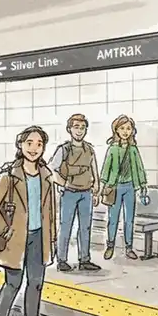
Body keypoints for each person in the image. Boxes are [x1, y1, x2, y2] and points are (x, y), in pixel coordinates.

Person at [0, 125, 60, 316]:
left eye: (39, 144)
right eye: (29, 143)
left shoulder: (46, 176)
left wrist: (52, 239)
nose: (34, 148)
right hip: (14, 240)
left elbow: (50, 211)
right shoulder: (9, 175)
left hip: (39, 238)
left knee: (36, 284)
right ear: (20, 145)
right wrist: (4, 229)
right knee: (13, 284)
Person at [47, 114, 102, 272]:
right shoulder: (64, 149)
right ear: (69, 129)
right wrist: (63, 183)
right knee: (66, 227)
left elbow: (94, 170)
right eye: (76, 127)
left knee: (85, 227)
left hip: (86, 193)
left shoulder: (89, 149)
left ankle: (84, 259)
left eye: (82, 128)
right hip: (69, 193)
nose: (79, 131)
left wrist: (96, 190)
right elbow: (51, 169)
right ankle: (61, 260)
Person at [100, 114, 148, 261]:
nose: (125, 131)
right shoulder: (112, 149)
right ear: (116, 130)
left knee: (129, 219)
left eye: (128, 128)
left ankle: (129, 247)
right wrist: (103, 185)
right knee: (113, 219)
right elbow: (106, 168)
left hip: (130, 187)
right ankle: (110, 246)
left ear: (132, 131)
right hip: (115, 188)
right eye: (122, 128)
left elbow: (139, 168)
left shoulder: (133, 149)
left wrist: (143, 185)